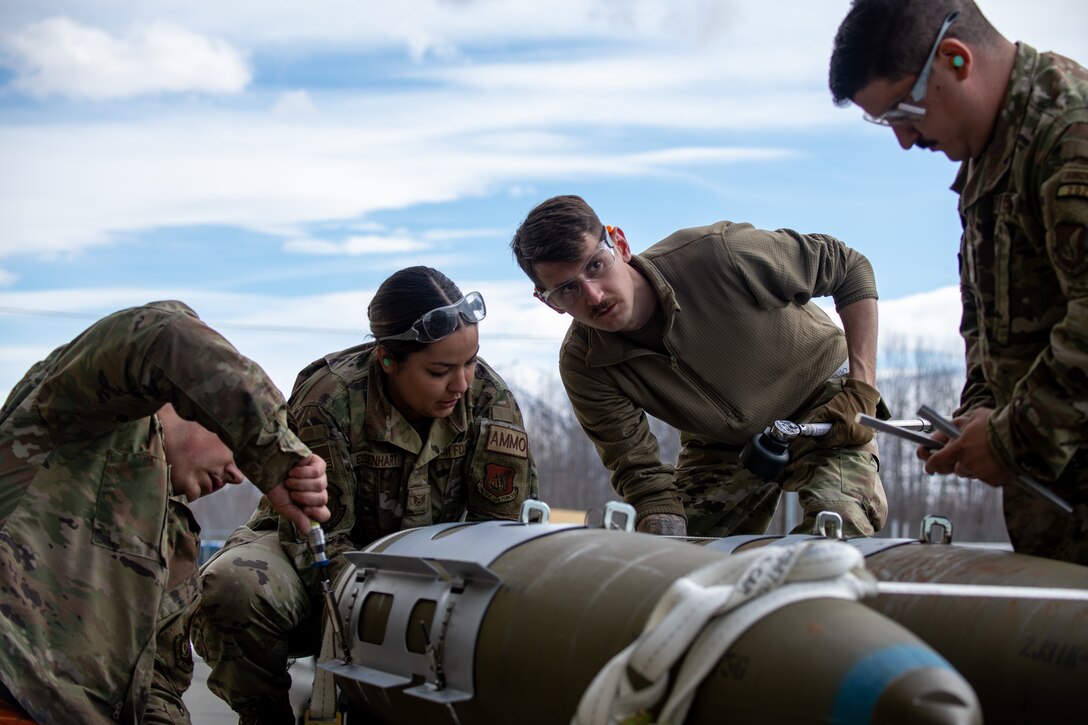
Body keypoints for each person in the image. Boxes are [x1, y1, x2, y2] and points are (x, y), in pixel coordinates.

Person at [193, 267, 540, 724]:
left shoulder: (490, 401)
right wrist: (387, 617)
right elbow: (321, 544)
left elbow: (501, 536)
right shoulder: (329, 399)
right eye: (439, 371)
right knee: (235, 588)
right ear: (388, 359)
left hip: (439, 569)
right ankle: (266, 714)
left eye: (471, 362)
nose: (461, 385)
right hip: (318, 560)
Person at [829, 0, 1088, 564]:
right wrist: (979, 413)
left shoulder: (1070, 134)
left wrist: (1011, 438)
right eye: (885, 122)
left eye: (903, 111)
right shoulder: (987, 159)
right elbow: (999, 319)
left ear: (955, 59)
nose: (903, 139)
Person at [0, 300, 330, 724]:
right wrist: (271, 449)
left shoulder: (175, 539)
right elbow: (161, 335)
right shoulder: (76, 424)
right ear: (186, 401)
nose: (238, 474)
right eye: (233, 439)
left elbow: (158, 685)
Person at [510, 195, 889, 538]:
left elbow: (849, 267)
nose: (593, 295)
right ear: (549, 302)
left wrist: (862, 388)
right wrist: (662, 527)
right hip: (721, 444)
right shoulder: (585, 363)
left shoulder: (719, 255)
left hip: (828, 408)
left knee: (836, 528)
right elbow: (640, 473)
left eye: (595, 266)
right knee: (666, 555)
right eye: (567, 289)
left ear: (620, 245)